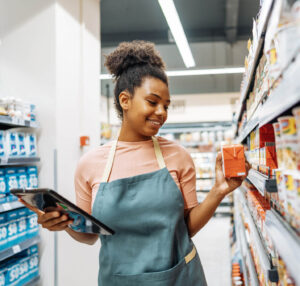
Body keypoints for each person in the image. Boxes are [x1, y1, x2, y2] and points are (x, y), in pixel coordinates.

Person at [20, 41, 250, 286]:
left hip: (179, 278)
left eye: (166, 105)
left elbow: (186, 228)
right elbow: (88, 236)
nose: (161, 112)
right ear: (124, 100)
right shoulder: (90, 164)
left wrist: (218, 192)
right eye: (152, 102)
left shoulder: (178, 155)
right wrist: (63, 224)